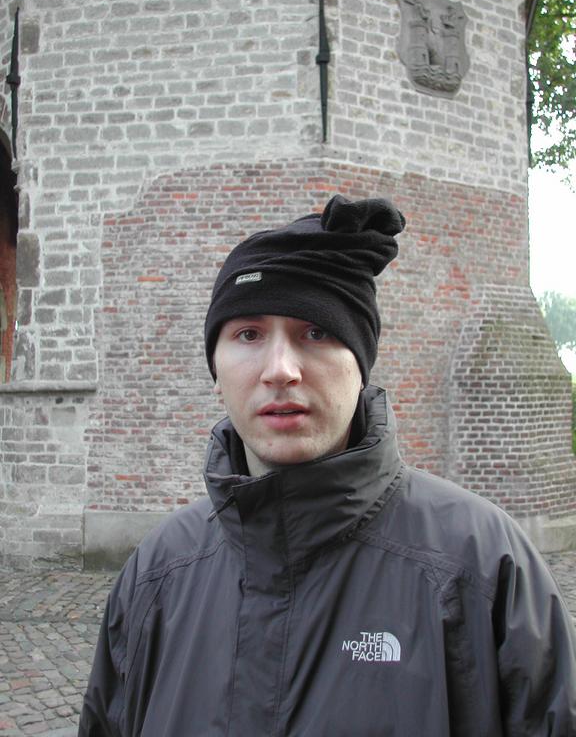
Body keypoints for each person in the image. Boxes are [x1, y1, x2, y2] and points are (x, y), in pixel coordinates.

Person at [78, 195, 576, 736]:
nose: (280, 370)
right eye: (248, 334)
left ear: (360, 366)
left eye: (316, 332)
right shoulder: (157, 573)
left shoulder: (481, 567)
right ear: (216, 370)